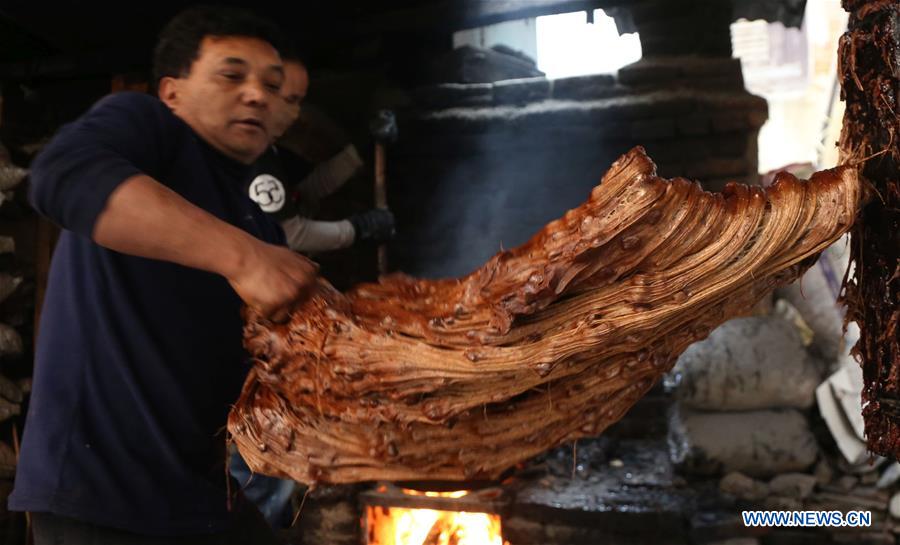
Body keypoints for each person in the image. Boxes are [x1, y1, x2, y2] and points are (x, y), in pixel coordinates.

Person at [9, 6, 316, 544]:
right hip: (100, 494)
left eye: (273, 85)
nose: (257, 95)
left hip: (200, 492)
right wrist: (244, 259)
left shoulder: (256, 219)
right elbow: (62, 175)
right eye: (231, 74)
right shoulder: (148, 129)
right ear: (172, 92)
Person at [246, 56, 395, 253]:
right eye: (290, 100)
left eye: (299, 101)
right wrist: (359, 228)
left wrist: (361, 149)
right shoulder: (255, 157)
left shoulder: (270, 150)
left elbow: (306, 191)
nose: (295, 113)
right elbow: (289, 234)